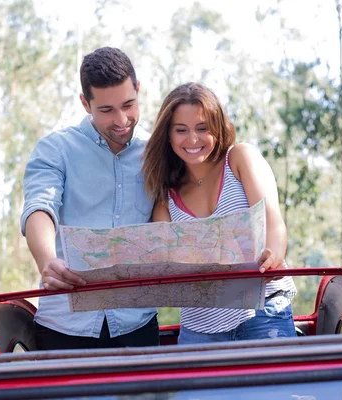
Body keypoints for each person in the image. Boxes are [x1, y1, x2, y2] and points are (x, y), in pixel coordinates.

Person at [20, 47, 158, 350]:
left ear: (138, 89)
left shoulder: (157, 151)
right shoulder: (56, 149)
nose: (121, 120)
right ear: (86, 103)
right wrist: (47, 261)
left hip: (139, 327)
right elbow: (39, 206)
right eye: (107, 110)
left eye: (129, 104)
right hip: (64, 327)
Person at [142, 82, 297, 344]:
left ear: (217, 127)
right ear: (167, 135)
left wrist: (274, 255)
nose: (193, 139)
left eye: (202, 128)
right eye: (181, 130)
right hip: (199, 328)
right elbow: (168, 263)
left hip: (262, 310)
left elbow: (272, 221)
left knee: (275, 387)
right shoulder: (165, 198)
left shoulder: (239, 158)